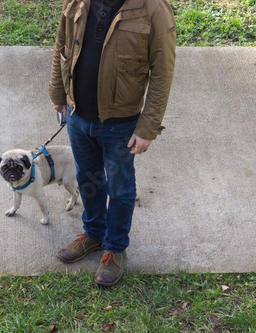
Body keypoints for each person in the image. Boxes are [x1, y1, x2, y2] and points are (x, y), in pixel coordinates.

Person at [48, 0, 176, 287]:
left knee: (119, 187)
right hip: (77, 114)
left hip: (121, 122)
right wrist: (58, 91)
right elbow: (61, 46)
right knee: (87, 177)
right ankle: (93, 234)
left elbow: (162, 72)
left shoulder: (154, 8)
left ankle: (115, 249)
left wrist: (148, 127)